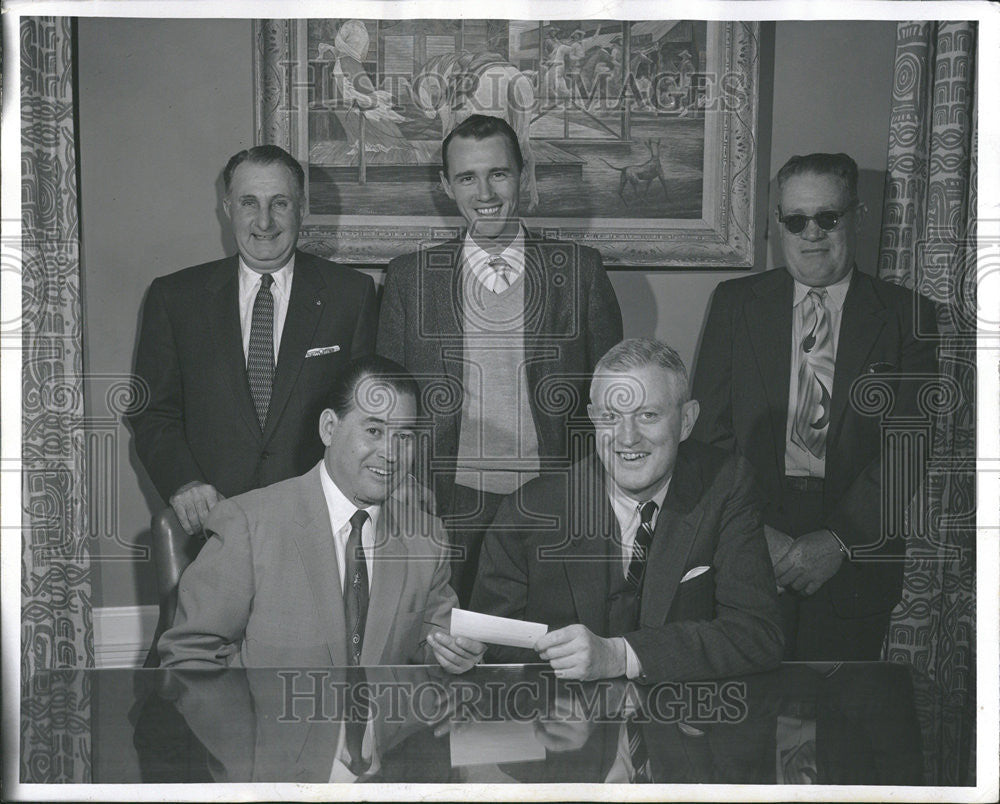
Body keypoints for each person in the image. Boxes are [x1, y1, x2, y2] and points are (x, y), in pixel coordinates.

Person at [691, 152, 939, 660]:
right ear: (777, 222)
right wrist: (752, 531)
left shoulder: (907, 315)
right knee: (751, 716)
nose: (811, 234)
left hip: (856, 545)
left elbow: (907, 448)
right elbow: (708, 436)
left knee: (842, 721)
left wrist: (838, 541)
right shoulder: (735, 303)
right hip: (750, 533)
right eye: (795, 220)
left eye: (828, 218)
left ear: (856, 218)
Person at [376, 114, 623, 606]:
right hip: (441, 502)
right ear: (447, 186)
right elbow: (388, 406)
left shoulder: (580, 271)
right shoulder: (409, 279)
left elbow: (610, 403)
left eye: (499, 174)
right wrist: (401, 484)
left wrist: (596, 495)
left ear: (523, 176)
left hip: (551, 500)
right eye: (467, 177)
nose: (484, 192)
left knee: (542, 651)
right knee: (449, 647)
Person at [470, 338, 784, 683]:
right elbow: (494, 646)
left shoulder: (725, 487)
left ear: (688, 420)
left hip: (685, 723)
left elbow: (757, 635)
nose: (628, 437)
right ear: (592, 419)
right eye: (611, 416)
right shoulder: (529, 510)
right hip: (566, 725)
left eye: (648, 415)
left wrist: (622, 656)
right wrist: (468, 651)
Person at [157, 356, 486, 671]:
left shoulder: (426, 539)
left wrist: (454, 658)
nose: (390, 453)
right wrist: (242, 728)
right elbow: (189, 658)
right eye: (374, 431)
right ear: (329, 428)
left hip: (384, 728)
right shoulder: (247, 524)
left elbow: (431, 647)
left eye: (404, 436)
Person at [128, 145, 377, 536]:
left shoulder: (352, 294)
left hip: (318, 525)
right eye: (249, 202)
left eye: (280, 203)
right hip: (214, 524)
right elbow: (152, 412)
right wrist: (185, 483)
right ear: (227, 208)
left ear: (301, 207)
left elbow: (365, 412)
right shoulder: (174, 298)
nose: (264, 221)